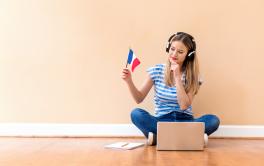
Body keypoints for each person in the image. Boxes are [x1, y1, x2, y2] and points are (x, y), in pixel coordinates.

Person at [121, 32, 220, 146]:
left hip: (185, 121)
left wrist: (177, 76)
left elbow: (184, 106)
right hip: (161, 121)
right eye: (172, 49)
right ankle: (190, 138)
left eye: (180, 52)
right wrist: (129, 81)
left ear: (189, 55)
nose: (174, 54)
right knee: (136, 114)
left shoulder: (193, 76)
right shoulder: (157, 70)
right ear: (168, 48)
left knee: (213, 120)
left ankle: (161, 138)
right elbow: (139, 99)